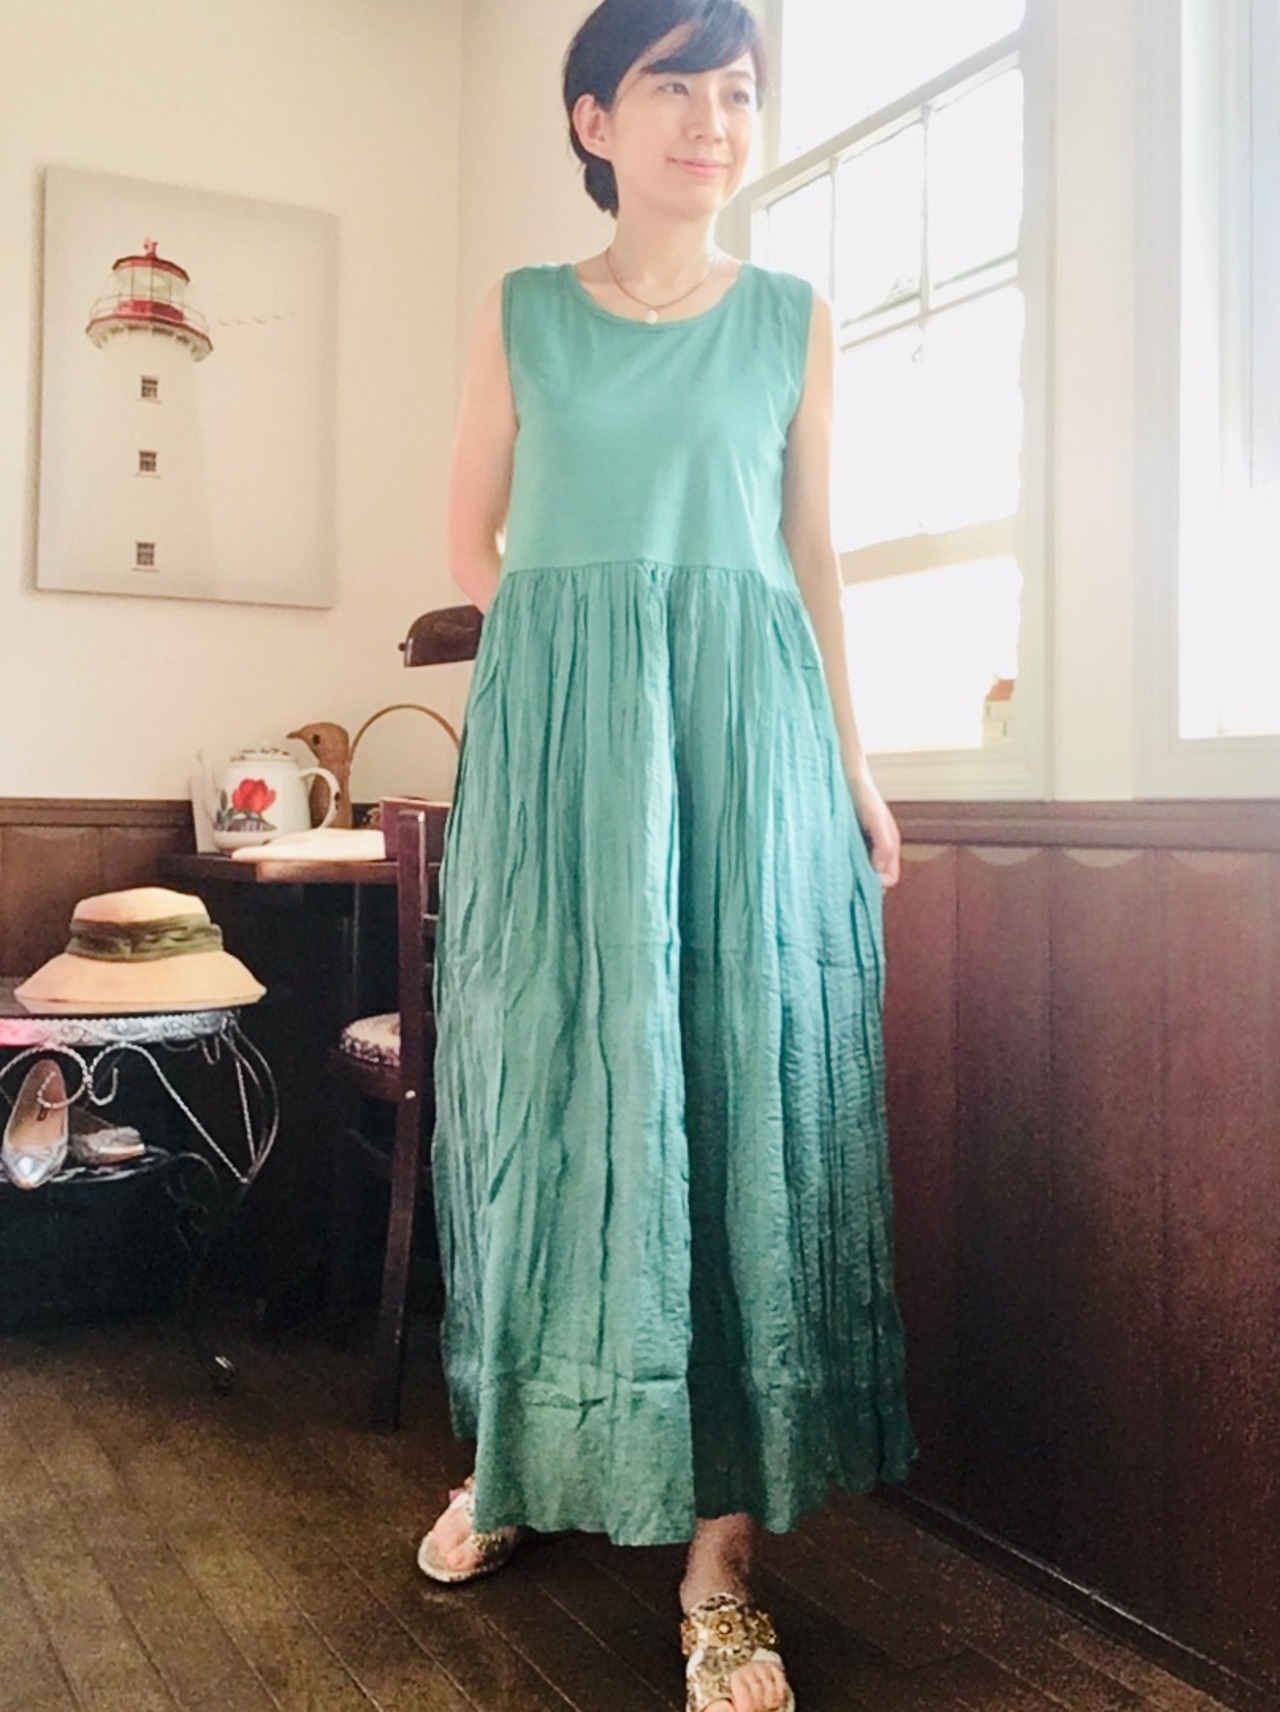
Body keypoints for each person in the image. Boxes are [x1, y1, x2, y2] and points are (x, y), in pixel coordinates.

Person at [418, 2, 918, 1706]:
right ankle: (515, 1463)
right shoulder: (525, 312)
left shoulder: (791, 319)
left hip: (748, 747)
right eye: (674, 87)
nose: (713, 119)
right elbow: (470, 537)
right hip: (571, 756)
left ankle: (720, 1567)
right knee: (552, 1090)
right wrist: (582, 665)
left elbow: (811, 557)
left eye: (739, 91)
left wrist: (852, 763)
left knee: (735, 1105)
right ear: (594, 119)